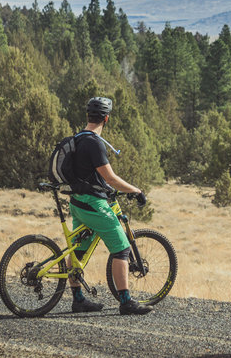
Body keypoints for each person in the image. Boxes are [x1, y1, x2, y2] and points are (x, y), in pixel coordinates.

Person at [68, 96, 152, 315]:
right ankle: (126, 301)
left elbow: (90, 175)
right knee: (122, 249)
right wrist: (136, 190)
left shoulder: (78, 138)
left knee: (79, 249)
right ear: (106, 119)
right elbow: (111, 178)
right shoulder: (94, 142)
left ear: (88, 116)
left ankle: (78, 300)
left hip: (77, 202)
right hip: (93, 204)